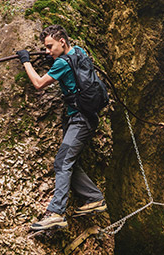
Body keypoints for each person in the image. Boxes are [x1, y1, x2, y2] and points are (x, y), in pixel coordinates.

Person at [16, 25, 106, 231]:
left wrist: (26, 61)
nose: (47, 51)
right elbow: (71, 68)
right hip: (86, 117)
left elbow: (39, 83)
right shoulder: (79, 52)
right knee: (68, 161)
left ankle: (56, 213)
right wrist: (52, 58)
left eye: (50, 47)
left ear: (62, 42)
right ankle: (94, 198)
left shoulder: (62, 64)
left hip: (80, 120)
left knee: (62, 162)